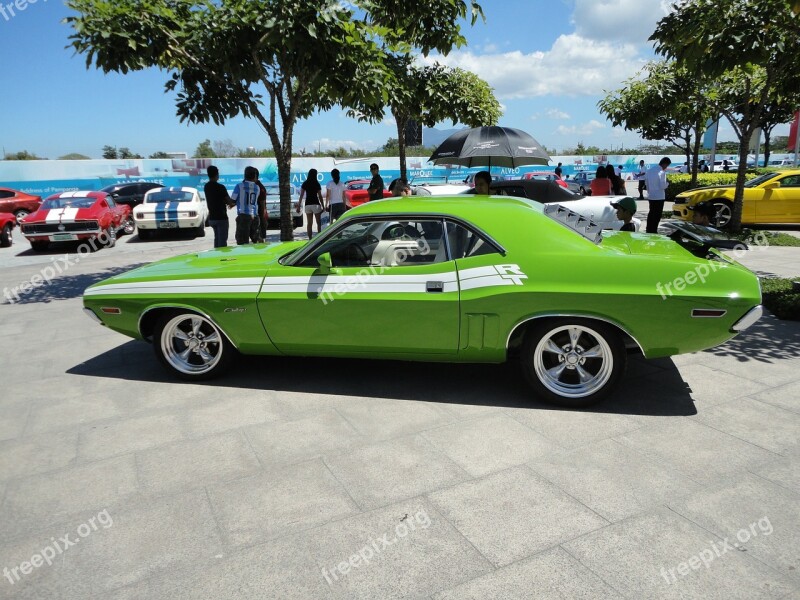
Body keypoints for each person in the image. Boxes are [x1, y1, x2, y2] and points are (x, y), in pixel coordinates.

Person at [204, 165, 235, 248]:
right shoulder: (221, 187)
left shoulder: (206, 186)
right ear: (217, 174)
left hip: (212, 218)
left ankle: (216, 256)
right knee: (222, 242)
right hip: (221, 218)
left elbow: (215, 198)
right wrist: (234, 202)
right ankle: (221, 258)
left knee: (217, 239)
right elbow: (229, 202)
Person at [230, 166, 259, 245]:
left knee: (242, 241)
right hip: (254, 216)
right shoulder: (257, 188)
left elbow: (233, 200)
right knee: (255, 241)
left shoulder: (239, 186)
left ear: (245, 175)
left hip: (243, 216)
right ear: (254, 176)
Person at [644, 157, 671, 233]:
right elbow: (662, 186)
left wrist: (649, 193)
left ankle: (648, 229)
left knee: (651, 213)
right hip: (659, 196)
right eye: (667, 166)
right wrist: (668, 183)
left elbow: (647, 184)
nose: (666, 167)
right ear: (665, 164)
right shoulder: (662, 172)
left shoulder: (649, 171)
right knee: (657, 215)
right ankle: (654, 230)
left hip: (651, 196)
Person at [297, 168, 324, 238]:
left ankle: (310, 239)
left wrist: (298, 206)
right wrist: (323, 206)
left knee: (309, 223)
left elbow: (301, 195)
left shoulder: (305, 183)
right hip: (316, 204)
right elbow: (320, 196)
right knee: (318, 223)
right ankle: (319, 238)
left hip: (307, 204)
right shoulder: (317, 183)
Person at [254, 169, 267, 243]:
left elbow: (262, 204)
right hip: (256, 215)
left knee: (260, 238)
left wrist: (262, 218)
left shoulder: (260, 188)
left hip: (259, 215)